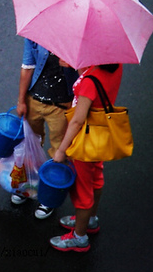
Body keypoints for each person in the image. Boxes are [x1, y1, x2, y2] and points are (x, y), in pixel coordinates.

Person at [50, 62, 123, 253]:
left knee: (82, 191)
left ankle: (79, 237)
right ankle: (90, 219)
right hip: (101, 134)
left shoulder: (90, 82)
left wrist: (61, 150)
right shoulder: (116, 66)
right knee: (96, 177)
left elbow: (77, 121)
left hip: (86, 140)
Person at [11, 38, 77, 219]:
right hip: (34, 101)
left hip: (62, 106)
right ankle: (26, 185)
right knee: (30, 144)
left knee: (60, 152)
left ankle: (49, 198)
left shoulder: (78, 40)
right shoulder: (35, 34)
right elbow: (27, 66)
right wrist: (21, 100)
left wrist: (72, 66)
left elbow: (87, 74)